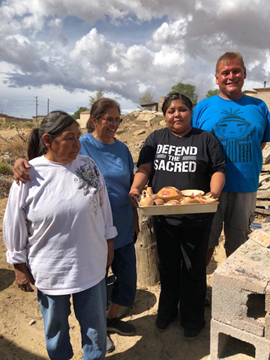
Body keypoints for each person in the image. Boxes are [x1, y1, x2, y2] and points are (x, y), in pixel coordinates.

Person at [13, 98, 138, 352]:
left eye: (77, 137)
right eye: (69, 138)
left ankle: (100, 340)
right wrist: (19, 265)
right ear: (48, 140)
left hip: (93, 257)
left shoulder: (88, 165)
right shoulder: (30, 174)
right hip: (51, 268)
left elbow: (104, 208)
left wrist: (109, 242)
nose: (76, 144)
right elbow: (14, 223)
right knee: (56, 328)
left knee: (95, 323)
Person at [129, 93, 225, 340]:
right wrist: (136, 187)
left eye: (182, 109)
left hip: (197, 216)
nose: (177, 115)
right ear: (165, 115)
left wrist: (213, 194)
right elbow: (145, 168)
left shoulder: (206, 139)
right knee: (168, 267)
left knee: (194, 268)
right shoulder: (156, 138)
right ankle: (167, 312)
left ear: (191, 113)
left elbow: (217, 170)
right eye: (171, 111)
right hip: (164, 217)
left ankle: (193, 318)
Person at [192, 52, 270, 265]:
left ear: (244, 74)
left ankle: (233, 290)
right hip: (208, 188)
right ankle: (198, 292)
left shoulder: (259, 107)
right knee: (206, 240)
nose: (231, 76)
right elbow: (194, 146)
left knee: (239, 243)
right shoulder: (202, 108)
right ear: (216, 78)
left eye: (236, 71)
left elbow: (260, 142)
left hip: (245, 186)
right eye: (224, 73)